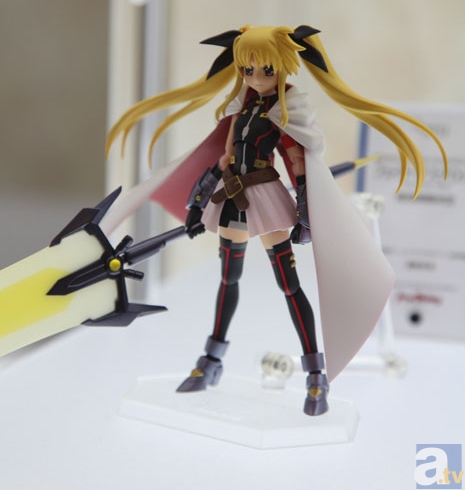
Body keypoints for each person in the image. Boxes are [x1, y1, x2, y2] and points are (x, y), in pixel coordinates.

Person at [106, 24, 447, 416]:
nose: (255, 77)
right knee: (228, 279)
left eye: (266, 70)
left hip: (265, 199)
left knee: (289, 285)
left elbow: (298, 166)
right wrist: (197, 205)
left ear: (282, 68)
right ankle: (212, 359)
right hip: (230, 198)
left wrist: (306, 214)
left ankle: (315, 373)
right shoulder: (242, 110)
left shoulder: (285, 113)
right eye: (247, 69)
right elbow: (223, 161)